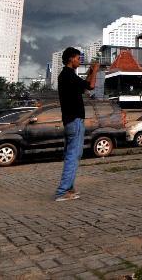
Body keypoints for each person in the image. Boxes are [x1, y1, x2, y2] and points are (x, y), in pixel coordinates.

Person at [54, 47, 99, 201]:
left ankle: (69, 189)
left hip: (70, 121)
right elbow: (91, 86)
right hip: (75, 120)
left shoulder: (67, 76)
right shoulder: (68, 75)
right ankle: (62, 192)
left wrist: (90, 71)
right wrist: (96, 71)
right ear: (71, 59)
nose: (79, 61)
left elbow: (83, 86)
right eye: (78, 58)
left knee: (72, 155)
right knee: (73, 156)